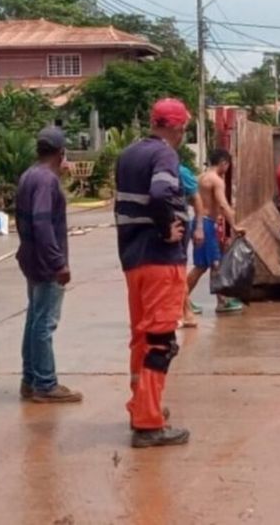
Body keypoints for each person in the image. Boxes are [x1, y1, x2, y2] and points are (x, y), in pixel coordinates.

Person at [115, 98, 192, 448]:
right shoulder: (164, 155)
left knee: (142, 338)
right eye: (184, 129)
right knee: (161, 341)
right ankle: (148, 423)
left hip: (134, 260)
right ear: (176, 127)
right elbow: (161, 193)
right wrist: (167, 230)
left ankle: (142, 406)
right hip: (161, 260)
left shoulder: (128, 154)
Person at [16, 127, 82, 404]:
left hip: (31, 260)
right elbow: (42, 222)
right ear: (61, 152)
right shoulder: (46, 181)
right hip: (45, 264)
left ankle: (30, 379)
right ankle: (45, 383)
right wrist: (58, 262)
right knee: (44, 323)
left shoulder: (30, 175)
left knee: (34, 320)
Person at [186, 149, 246, 313]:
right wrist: (234, 225)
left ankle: (222, 301)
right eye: (227, 165)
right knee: (201, 266)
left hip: (200, 222)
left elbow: (192, 200)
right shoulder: (217, 180)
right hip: (205, 225)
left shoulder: (200, 178)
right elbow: (223, 205)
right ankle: (180, 302)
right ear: (223, 163)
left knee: (214, 263)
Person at [179, 164, 205, 328]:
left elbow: (196, 199)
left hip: (179, 225)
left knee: (178, 269)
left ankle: (186, 309)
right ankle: (183, 306)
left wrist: (199, 227)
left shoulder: (181, 171)